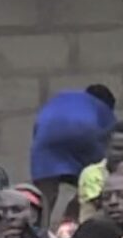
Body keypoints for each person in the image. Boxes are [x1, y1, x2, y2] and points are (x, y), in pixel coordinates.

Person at [30, 84, 117, 217]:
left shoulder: (62, 97)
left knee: (45, 194)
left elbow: (38, 127)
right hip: (84, 134)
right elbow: (112, 137)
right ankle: (73, 219)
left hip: (46, 138)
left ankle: (40, 224)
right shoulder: (103, 108)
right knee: (92, 181)